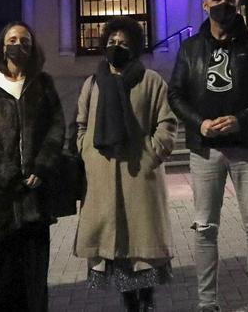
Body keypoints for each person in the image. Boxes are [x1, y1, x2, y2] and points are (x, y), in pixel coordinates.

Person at [168, 0, 248, 312]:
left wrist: (241, 119)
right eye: (216, 0)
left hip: (246, 145)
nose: (223, 5)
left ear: (238, 3)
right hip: (206, 149)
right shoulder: (189, 49)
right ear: (205, 4)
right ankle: (207, 302)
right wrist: (199, 123)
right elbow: (175, 94)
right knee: (205, 227)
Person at [74, 16, 178, 311]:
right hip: (103, 177)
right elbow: (80, 124)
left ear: (134, 46)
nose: (116, 46)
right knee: (116, 251)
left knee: (142, 251)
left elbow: (167, 123)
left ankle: (146, 302)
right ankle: (130, 304)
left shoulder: (151, 80)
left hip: (140, 178)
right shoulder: (93, 83)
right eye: (111, 42)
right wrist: (87, 152)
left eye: (123, 42)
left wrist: (152, 153)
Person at [0, 22, 64, 312]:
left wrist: (42, 166)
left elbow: (56, 130)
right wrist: (10, 177)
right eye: (12, 39)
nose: (18, 45)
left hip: (36, 199)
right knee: (1, 279)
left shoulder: (43, 83)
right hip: (0, 200)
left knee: (34, 281)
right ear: (2, 45)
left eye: (25, 40)